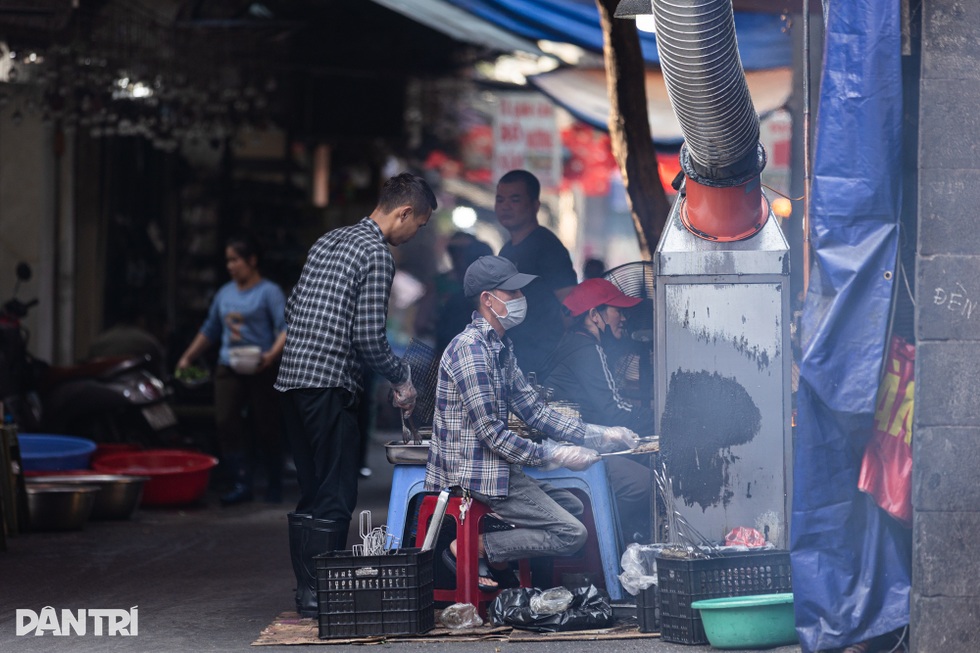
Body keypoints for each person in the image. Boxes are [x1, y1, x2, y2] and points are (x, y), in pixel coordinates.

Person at [425, 255, 639, 590]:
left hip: (501, 470)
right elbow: (492, 435)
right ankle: (474, 547)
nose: (520, 299)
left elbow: (536, 411)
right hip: (477, 475)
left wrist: (598, 435)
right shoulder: (470, 351)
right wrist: (554, 455)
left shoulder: (500, 348)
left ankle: (494, 550)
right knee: (572, 533)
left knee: (571, 504)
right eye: (511, 293)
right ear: (488, 300)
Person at [275, 172, 435, 617]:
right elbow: (367, 336)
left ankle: (307, 591)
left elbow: (294, 309)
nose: (412, 234)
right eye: (417, 225)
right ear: (404, 212)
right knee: (336, 495)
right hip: (328, 385)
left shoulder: (329, 241)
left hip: (292, 380)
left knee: (313, 489)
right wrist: (401, 377)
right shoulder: (377, 255)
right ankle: (316, 595)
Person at [540, 278, 656, 543]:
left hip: (573, 445)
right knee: (643, 483)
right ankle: (599, 539)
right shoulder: (587, 349)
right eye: (617, 310)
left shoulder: (575, 344)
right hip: (569, 455)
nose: (624, 318)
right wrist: (665, 418)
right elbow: (614, 413)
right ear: (594, 315)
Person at [176, 234, 287, 505]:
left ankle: (274, 483)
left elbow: (285, 327)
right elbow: (210, 329)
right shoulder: (224, 293)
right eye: (228, 260)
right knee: (225, 422)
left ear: (252, 260)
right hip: (229, 365)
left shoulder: (268, 292)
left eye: (235, 260)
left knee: (267, 425)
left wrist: (271, 355)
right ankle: (241, 482)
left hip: (261, 365)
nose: (230, 266)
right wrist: (186, 358)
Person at [495, 170, 578, 378]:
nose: (505, 206)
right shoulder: (506, 250)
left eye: (515, 199)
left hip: (544, 363)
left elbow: (570, 303)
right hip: (515, 360)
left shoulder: (547, 246)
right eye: (500, 199)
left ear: (535, 205)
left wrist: (567, 362)